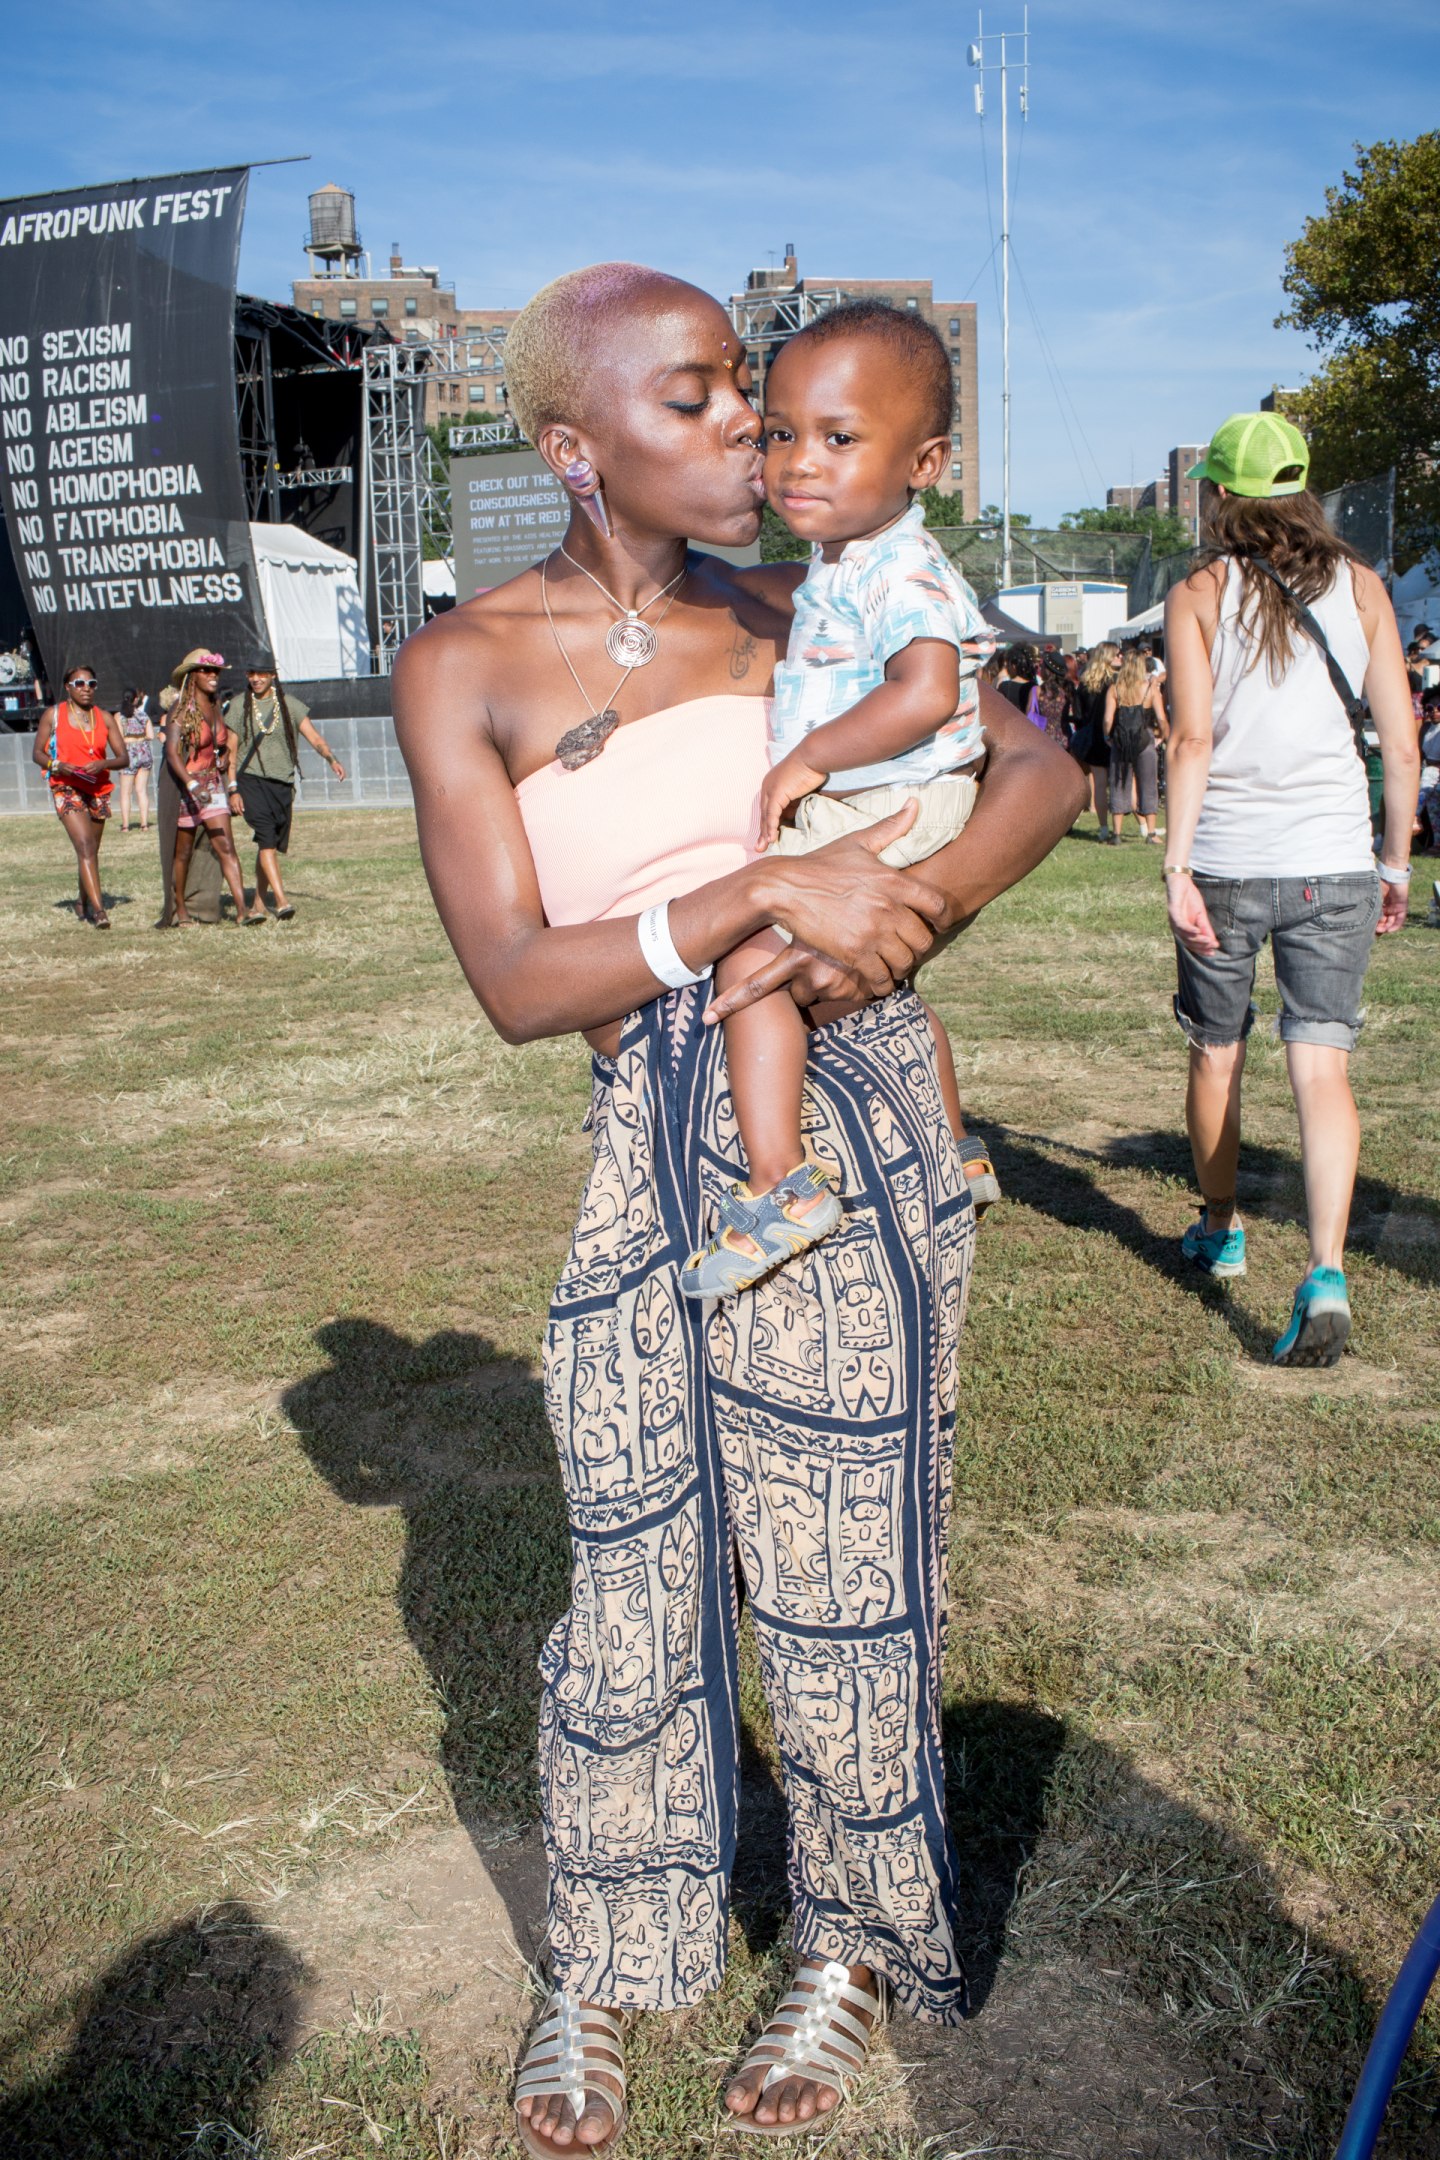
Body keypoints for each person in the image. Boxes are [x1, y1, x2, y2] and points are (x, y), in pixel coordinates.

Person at [391, 262, 1084, 2156]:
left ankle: (852, 1943)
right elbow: (521, 978)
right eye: (700, 405)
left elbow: (1035, 764)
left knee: (852, 1565)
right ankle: (606, 1959)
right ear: (572, 447)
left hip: (845, 1111)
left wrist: (909, 920)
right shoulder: (466, 666)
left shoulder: (823, 607)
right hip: (646, 1121)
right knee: (630, 1568)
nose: (753, 441)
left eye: (759, 408)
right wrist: (739, 909)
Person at [680, 300, 995, 1296]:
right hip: (896, 794)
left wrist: (807, 758)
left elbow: (928, 692)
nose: (798, 461)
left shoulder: (900, 566)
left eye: (839, 438)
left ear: (925, 464)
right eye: (782, 434)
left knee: (754, 947)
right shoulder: (846, 559)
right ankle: (956, 1148)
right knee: (887, 990)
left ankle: (783, 1186)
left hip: (888, 797)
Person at [1163, 411, 1418, 1365]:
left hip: (1228, 857)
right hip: (1335, 860)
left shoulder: (1197, 589)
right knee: (1321, 1066)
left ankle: (1222, 1226)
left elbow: (1191, 740)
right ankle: (1325, 1270)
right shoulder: (1362, 586)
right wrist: (1394, 864)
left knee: (1217, 1056)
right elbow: (1399, 741)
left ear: (1221, 495)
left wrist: (1176, 863)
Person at [223, 656, 346, 919]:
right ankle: (281, 902)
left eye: (262, 673)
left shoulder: (289, 705)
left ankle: (258, 902)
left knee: (268, 844)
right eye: (252, 673)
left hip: (283, 784)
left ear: (273, 676)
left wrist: (331, 759)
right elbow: (230, 752)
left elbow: (313, 737)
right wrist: (232, 788)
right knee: (266, 837)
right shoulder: (237, 707)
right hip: (250, 781)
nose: (256, 678)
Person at [161, 650, 260, 928]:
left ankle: (242, 910)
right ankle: (180, 909)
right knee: (183, 852)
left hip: (212, 782)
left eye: (215, 671)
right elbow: (171, 752)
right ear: (192, 676)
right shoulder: (180, 709)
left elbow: (221, 743)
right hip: (186, 786)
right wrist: (191, 785)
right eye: (206, 671)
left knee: (226, 845)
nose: (212, 676)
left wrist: (224, 757)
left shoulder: (215, 705)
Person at [33, 663, 128, 927]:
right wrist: (56, 765)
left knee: (91, 850)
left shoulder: (105, 717)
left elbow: (124, 758)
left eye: (91, 684)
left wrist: (103, 764)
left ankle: (82, 902)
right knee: (85, 845)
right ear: (67, 687)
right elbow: (37, 753)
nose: (86, 689)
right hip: (66, 785)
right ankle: (99, 912)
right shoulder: (53, 715)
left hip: (97, 787)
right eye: (79, 684)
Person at [1103, 646, 1168, 843]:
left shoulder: (1115, 688)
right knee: (1148, 784)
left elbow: (1107, 719)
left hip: (1121, 740)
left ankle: (1116, 834)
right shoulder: (1150, 688)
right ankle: (1150, 833)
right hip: (1145, 739)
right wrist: (1161, 737)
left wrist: (1108, 737)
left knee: (1119, 783)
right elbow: (1161, 718)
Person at [1073, 641, 1118, 836]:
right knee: (1121, 781)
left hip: (1092, 738)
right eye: (1117, 655)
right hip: (1112, 735)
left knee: (1099, 783)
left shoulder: (1085, 682)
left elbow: (1078, 714)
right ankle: (1135, 825)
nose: (1120, 658)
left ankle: (1104, 827)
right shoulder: (1115, 682)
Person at [116, 688, 155, 833]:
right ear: (136, 699)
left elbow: (119, 738)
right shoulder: (143, 715)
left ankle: (126, 826)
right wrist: (140, 739)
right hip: (144, 752)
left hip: (128, 753)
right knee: (142, 791)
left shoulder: (119, 716)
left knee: (126, 793)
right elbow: (151, 735)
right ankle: (144, 824)